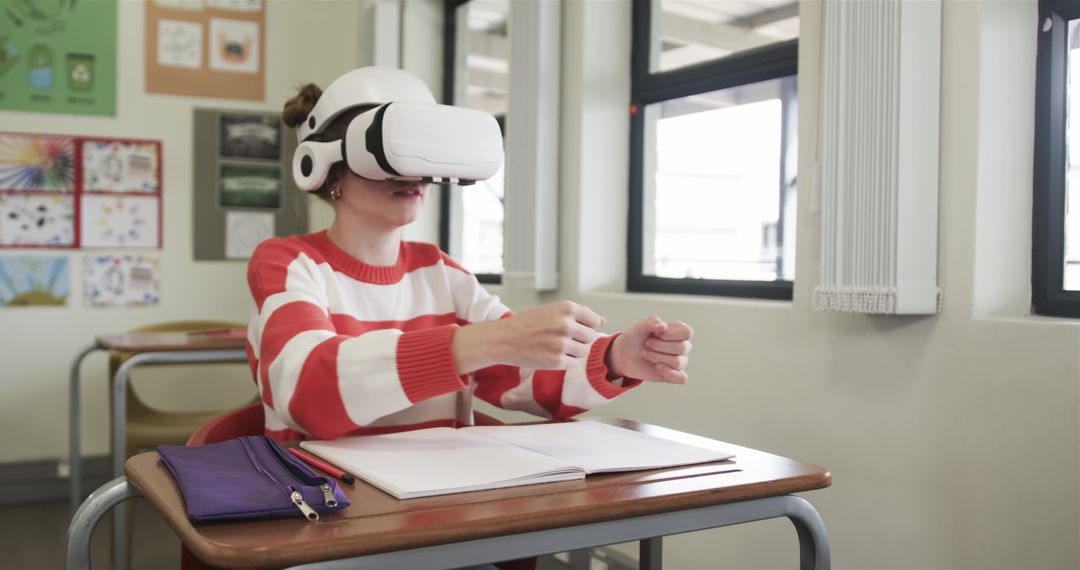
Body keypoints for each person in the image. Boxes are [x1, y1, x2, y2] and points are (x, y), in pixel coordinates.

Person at [246, 66, 694, 445]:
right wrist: (478, 343)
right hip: (327, 512)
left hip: (439, 508)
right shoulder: (288, 262)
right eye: (386, 154)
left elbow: (522, 378)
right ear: (325, 170)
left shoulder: (439, 271)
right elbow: (307, 392)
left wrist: (615, 358)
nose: (411, 173)